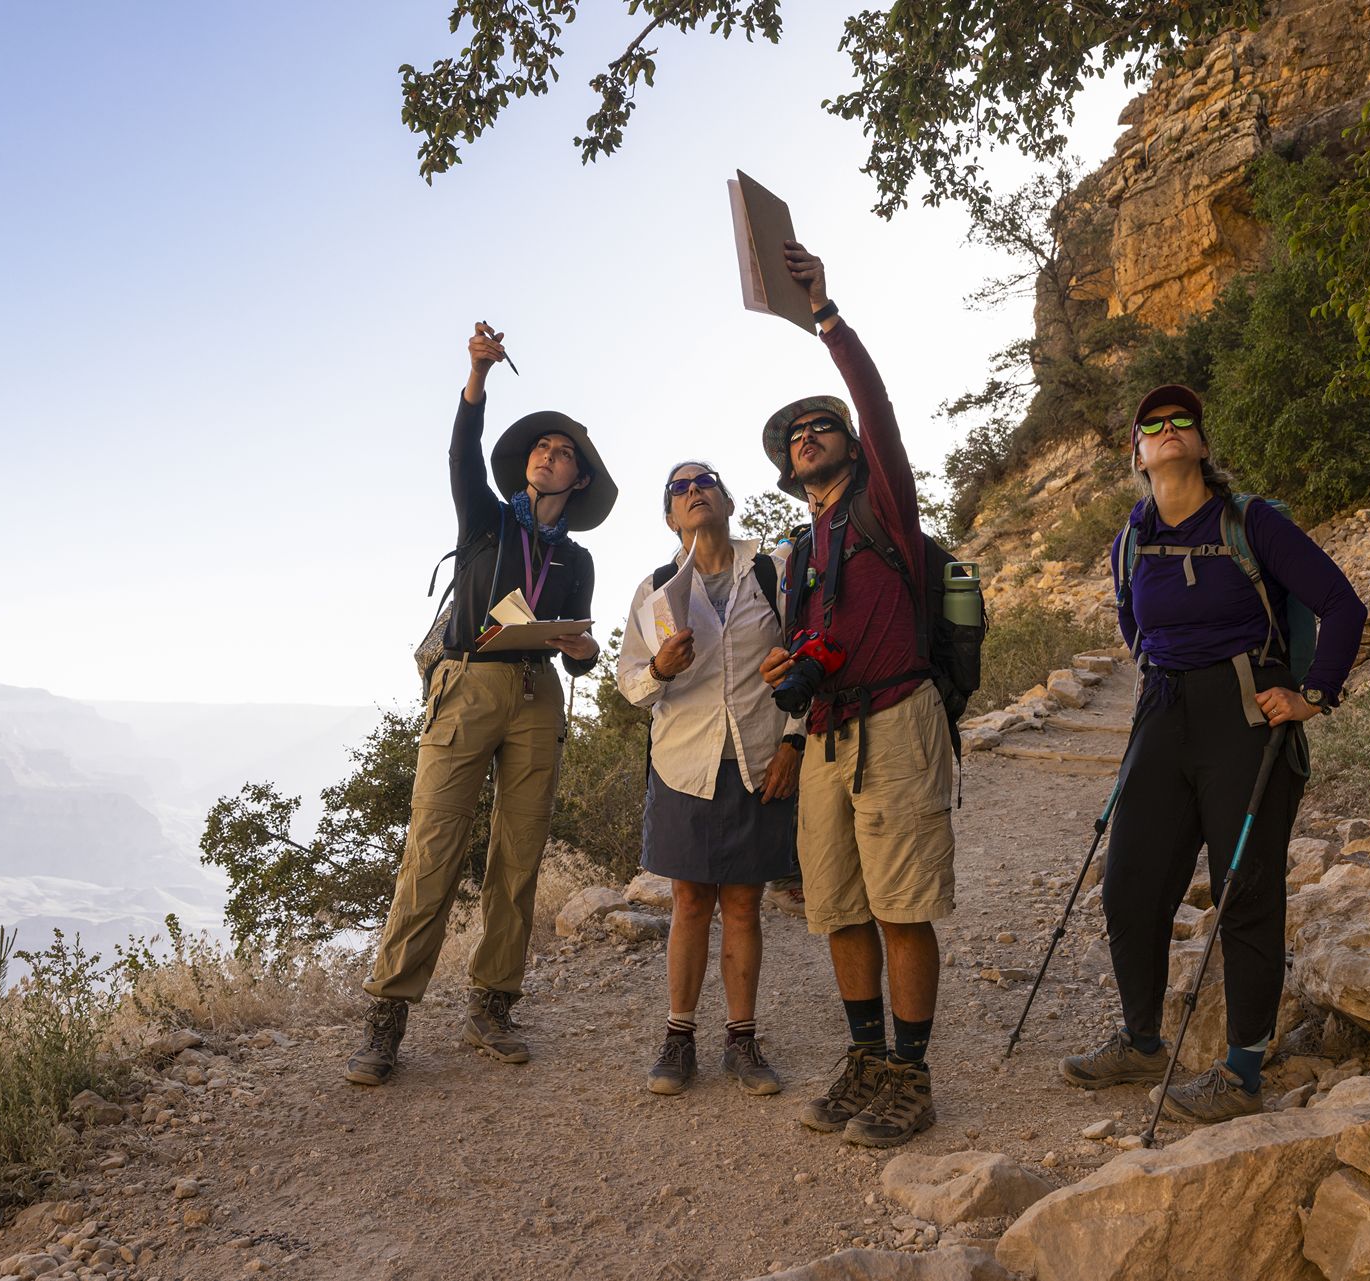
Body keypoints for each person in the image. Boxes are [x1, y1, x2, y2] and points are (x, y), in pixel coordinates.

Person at [1058, 383, 1367, 1123]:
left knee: (1246, 891)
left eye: (1181, 422)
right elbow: (1134, 628)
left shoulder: (1250, 522)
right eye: (1152, 426)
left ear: (1201, 442)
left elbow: (1343, 606)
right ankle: (1140, 1040)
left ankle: (1241, 1071)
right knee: (1130, 881)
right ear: (1137, 454)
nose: (1167, 430)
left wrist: (1313, 694)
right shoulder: (1130, 541)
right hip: (1162, 713)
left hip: (1245, 714)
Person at [345, 322, 616, 1087]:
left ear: (580, 480)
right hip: (466, 685)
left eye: (561, 452)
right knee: (432, 847)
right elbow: (462, 455)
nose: (546, 454)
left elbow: (582, 643)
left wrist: (583, 653)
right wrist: (477, 376)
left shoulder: (579, 557)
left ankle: (492, 1005)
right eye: (540, 447)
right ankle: (387, 1016)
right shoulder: (487, 518)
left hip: (537, 693)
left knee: (518, 855)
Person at [758, 243, 954, 1149]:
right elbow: (812, 647)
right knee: (837, 906)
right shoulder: (798, 554)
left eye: (819, 426)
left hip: (898, 719)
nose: (808, 436)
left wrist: (826, 317)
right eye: (795, 435)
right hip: (829, 735)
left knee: (899, 903)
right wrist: (789, 697)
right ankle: (867, 1056)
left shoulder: (885, 507)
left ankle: (911, 1077)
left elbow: (875, 406)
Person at [618, 462, 805, 1097]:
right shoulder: (653, 591)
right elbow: (631, 686)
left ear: (727, 499)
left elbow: (802, 659)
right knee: (691, 903)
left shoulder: (773, 572)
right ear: (671, 517)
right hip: (683, 765)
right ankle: (678, 1040)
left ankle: (743, 1041)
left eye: (705, 482)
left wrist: (795, 741)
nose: (693, 490)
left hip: (757, 759)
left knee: (746, 905)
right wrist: (662, 671)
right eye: (678, 488)